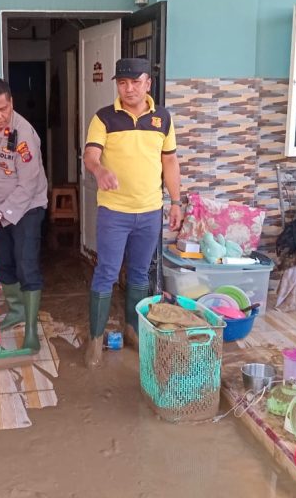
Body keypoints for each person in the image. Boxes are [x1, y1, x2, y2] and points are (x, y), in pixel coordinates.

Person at [82, 58, 182, 369]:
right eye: (123, 83)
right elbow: (91, 154)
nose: (129, 89)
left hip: (151, 211)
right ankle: (96, 338)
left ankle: (131, 328)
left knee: (140, 274)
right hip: (115, 211)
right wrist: (98, 170)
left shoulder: (162, 118)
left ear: (147, 83)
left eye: (135, 82)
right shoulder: (104, 118)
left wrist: (176, 202)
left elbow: (170, 162)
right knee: (107, 273)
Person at [0, 78, 48, 352]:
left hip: (27, 206)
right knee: (0, 260)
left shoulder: (24, 135)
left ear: (11, 103)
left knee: (26, 264)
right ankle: (16, 311)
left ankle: (31, 330)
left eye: (3, 108)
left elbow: (27, 186)